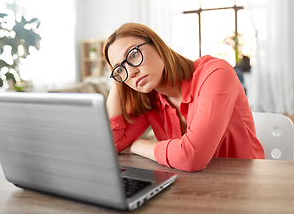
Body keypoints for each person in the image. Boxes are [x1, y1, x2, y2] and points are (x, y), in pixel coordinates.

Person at [103, 23, 264, 172]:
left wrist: (138, 145)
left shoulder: (216, 74)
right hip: (192, 189)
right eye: (120, 69)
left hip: (245, 185)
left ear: (158, 46)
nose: (131, 72)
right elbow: (112, 143)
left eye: (133, 55)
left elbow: (192, 157)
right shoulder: (151, 99)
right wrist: (118, 77)